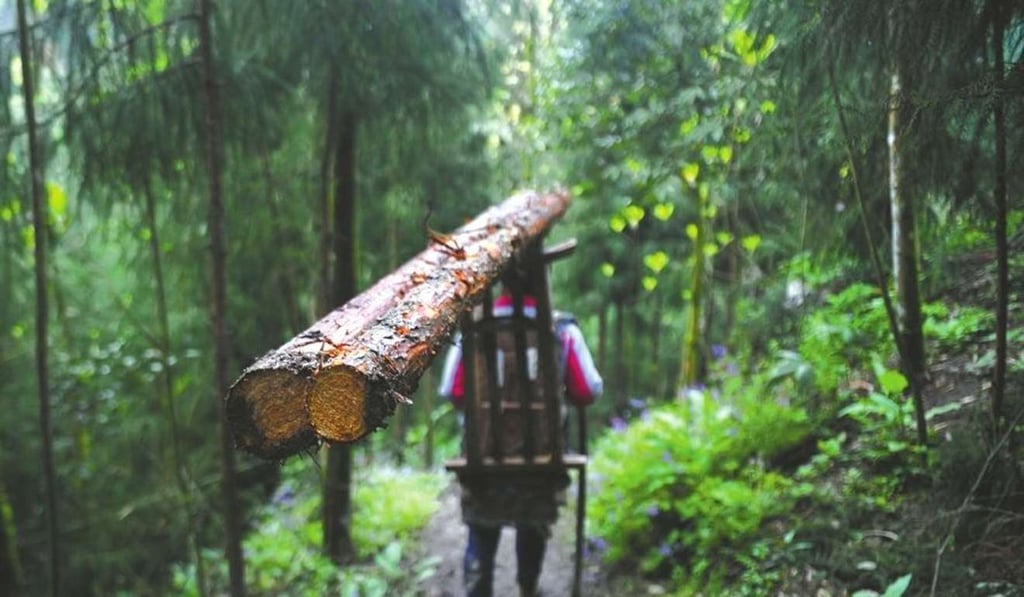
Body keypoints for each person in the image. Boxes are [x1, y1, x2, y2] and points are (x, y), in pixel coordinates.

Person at [439, 282, 602, 597]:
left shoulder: (472, 330)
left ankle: (478, 586)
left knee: (483, 520)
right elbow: (586, 390)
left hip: (482, 455)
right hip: (542, 457)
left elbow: (453, 391)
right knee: (533, 515)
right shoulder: (562, 330)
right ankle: (528, 586)